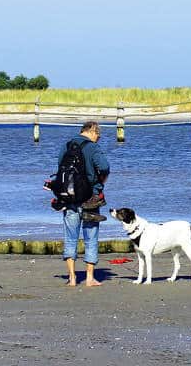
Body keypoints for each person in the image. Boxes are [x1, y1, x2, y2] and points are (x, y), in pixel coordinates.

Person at [56, 120, 110, 287]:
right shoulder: (93, 148)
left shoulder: (66, 146)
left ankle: (72, 277)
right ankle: (89, 278)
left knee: (70, 238)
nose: (98, 138)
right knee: (91, 237)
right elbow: (105, 167)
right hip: (91, 198)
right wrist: (101, 182)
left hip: (69, 197)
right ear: (92, 130)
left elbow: (59, 168)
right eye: (98, 135)